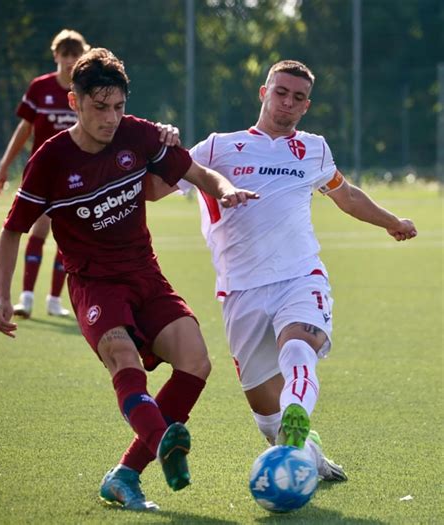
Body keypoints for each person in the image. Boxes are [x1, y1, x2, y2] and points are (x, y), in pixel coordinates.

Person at [0, 48, 258, 511]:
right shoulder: (51, 161)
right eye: (99, 107)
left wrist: (224, 189)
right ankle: (161, 442)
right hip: (94, 283)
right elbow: (12, 231)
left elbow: (196, 172)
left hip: (145, 274)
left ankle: (124, 474)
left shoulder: (138, 134)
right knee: (121, 355)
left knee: (196, 361)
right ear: (74, 102)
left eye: (118, 107)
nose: (111, 118)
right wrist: (2, 297)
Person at [151, 59, 417, 481]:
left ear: (306, 106)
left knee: (298, 349)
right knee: (266, 418)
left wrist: (392, 222)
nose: (287, 103)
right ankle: (306, 449)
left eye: (298, 98)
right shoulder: (217, 147)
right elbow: (153, 191)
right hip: (240, 291)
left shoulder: (314, 149)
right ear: (263, 92)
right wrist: (160, 148)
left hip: (300, 275)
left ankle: (298, 415)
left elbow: (345, 195)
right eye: (281, 93)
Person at [0, 29, 91, 318]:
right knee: (38, 230)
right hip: (43, 173)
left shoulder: (85, 90)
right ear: (56, 55)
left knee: (67, 237)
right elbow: (24, 129)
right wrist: (3, 165)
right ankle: (26, 297)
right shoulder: (40, 87)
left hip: (77, 174)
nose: (70, 60)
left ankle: (54, 300)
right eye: (66, 54)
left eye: (76, 54)